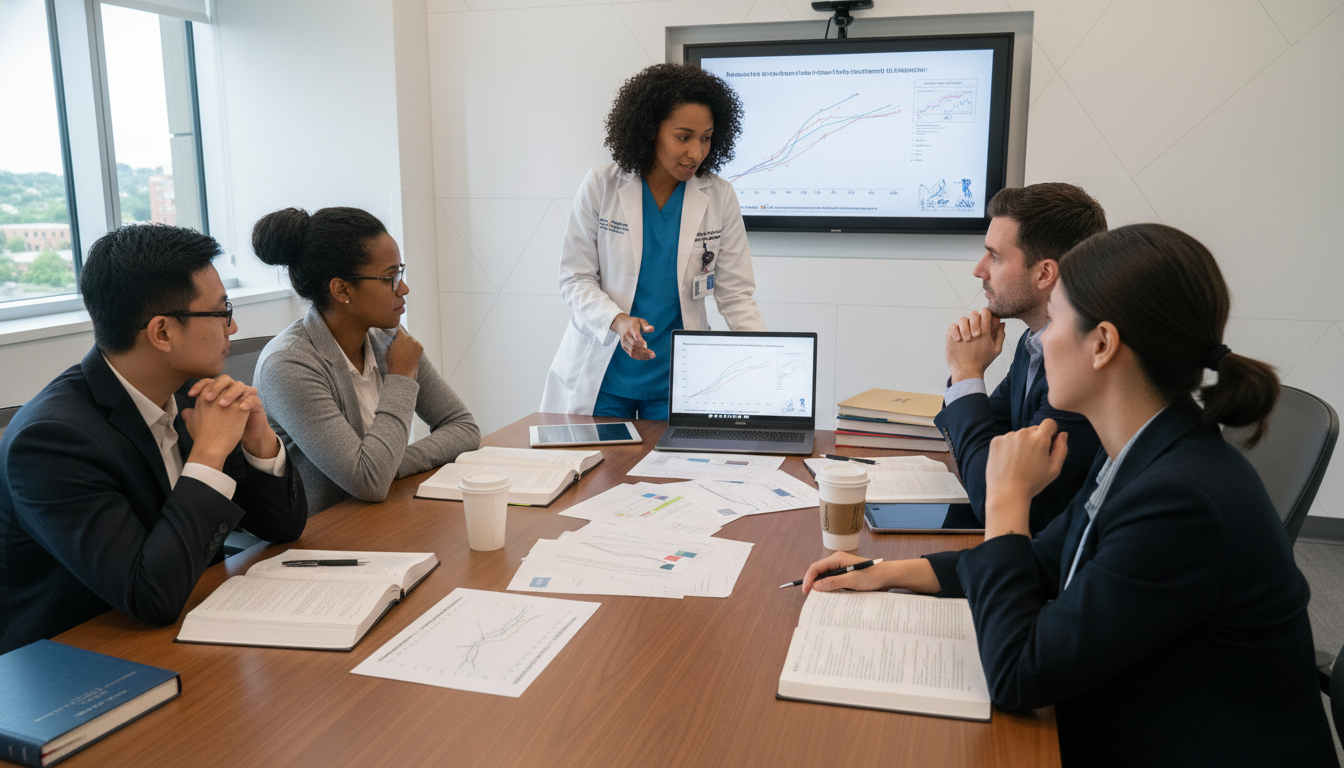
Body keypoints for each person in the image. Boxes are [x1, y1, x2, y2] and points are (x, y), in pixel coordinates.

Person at [801, 224, 1337, 766]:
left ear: (1102, 344)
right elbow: (1044, 560)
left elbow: (1020, 675)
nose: (1039, 341)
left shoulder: (1181, 500)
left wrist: (1006, 503)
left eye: (1053, 320)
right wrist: (886, 573)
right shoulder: (1139, 448)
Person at [0, 224, 307, 652]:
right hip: (78, 656)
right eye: (221, 312)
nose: (233, 327)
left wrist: (259, 441)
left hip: (190, 622)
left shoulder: (188, 390)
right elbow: (149, 596)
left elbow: (282, 526)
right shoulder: (52, 442)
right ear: (162, 332)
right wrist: (210, 453)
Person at [540, 63, 765, 418]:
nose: (696, 152)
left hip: (675, 382)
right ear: (649, 131)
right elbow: (575, 278)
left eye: (706, 137)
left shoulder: (718, 195)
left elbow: (735, 293)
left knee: (672, 473)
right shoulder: (602, 185)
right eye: (683, 137)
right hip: (604, 378)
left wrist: (764, 356)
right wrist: (617, 320)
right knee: (598, 472)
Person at [253, 207, 480, 516]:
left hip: (383, 517)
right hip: (327, 540)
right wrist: (401, 379)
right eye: (390, 278)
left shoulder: (387, 337)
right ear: (342, 289)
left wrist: (390, 467)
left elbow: (463, 428)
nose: (403, 288)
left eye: (400, 272)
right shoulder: (288, 365)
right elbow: (368, 480)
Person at [935, 183, 1105, 533]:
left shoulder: (1082, 371)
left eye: (995, 256)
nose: (979, 270)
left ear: (1044, 273)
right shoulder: (1033, 343)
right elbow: (991, 442)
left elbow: (990, 493)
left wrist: (967, 371)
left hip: (1046, 565)